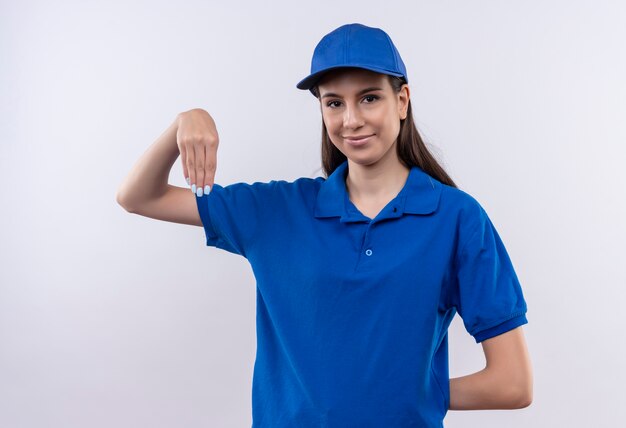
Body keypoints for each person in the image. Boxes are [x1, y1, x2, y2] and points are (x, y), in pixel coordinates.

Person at [117, 22, 533, 428]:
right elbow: (138, 197)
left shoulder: (456, 218)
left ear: (402, 101)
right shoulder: (277, 210)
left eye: (369, 98)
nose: (351, 119)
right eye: (334, 103)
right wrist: (184, 122)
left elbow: (512, 383)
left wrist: (411, 394)